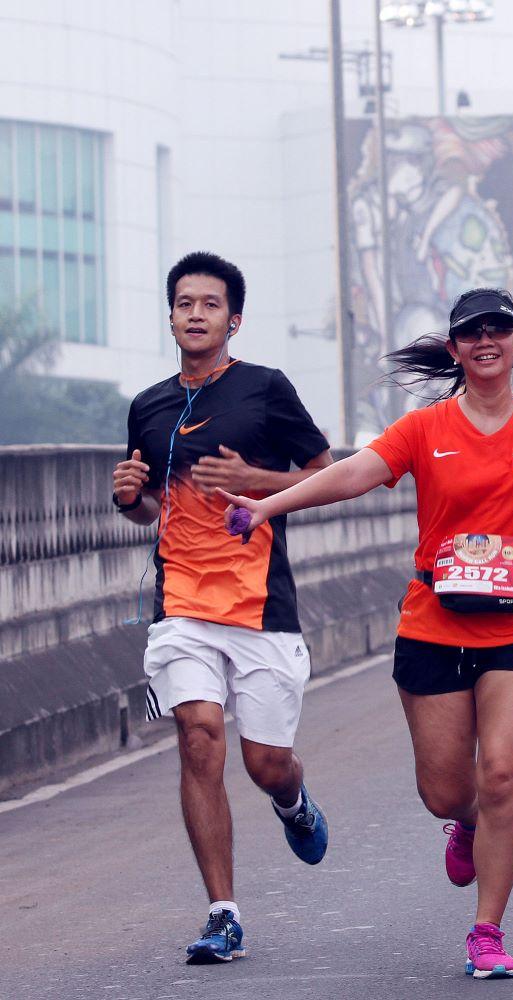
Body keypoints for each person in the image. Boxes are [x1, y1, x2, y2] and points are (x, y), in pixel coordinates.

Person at [216, 288, 513, 979]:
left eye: (499, 331)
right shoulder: (425, 428)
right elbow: (354, 473)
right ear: (454, 349)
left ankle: (487, 929)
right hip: (434, 626)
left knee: (503, 773)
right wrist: (267, 505)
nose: (486, 342)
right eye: (472, 333)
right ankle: (465, 823)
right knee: (445, 791)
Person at [111, 251, 334, 964]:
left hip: (260, 603)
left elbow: (325, 475)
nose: (196, 313)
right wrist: (130, 499)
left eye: (210, 303)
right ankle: (223, 912)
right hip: (179, 601)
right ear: (171, 316)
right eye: (184, 303)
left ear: (233, 319)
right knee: (199, 734)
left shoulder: (266, 390)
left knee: (266, 762)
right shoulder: (147, 406)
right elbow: (149, 511)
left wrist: (254, 479)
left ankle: (293, 801)